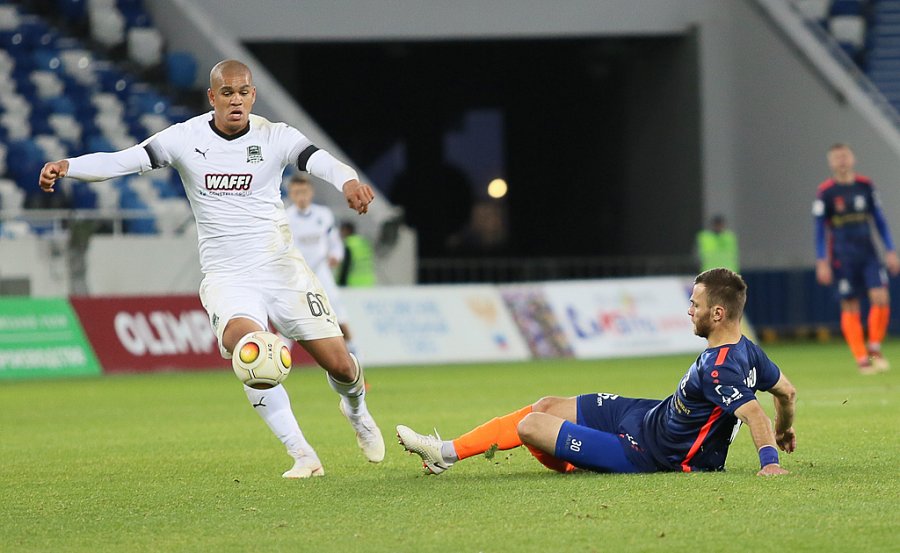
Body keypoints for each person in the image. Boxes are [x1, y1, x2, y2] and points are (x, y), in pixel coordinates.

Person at [38, 59, 384, 478]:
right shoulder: (185, 138)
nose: (236, 100)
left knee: (341, 365)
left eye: (243, 92)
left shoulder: (275, 136)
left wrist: (348, 181)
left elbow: (321, 160)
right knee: (251, 354)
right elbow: (122, 161)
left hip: (282, 268)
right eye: (227, 93)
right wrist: (68, 166)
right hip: (228, 277)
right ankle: (303, 454)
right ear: (212, 97)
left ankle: (357, 412)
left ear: (253, 95)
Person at [398, 268, 797, 476]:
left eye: (696, 304)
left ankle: (583, 460)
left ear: (718, 313)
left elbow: (754, 413)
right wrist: (785, 429)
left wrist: (769, 461)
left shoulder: (719, 369)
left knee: (531, 426)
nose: (689, 310)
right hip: (648, 416)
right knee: (546, 404)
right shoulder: (749, 352)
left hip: (649, 453)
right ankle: (446, 452)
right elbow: (786, 392)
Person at [813, 143, 899, 374]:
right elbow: (819, 229)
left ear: (852, 159)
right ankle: (862, 358)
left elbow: (879, 220)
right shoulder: (826, 192)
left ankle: (874, 348)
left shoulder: (865, 186)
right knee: (850, 303)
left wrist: (890, 250)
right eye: (837, 157)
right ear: (831, 162)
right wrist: (822, 260)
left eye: (845, 156)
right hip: (842, 256)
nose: (841, 160)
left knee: (881, 297)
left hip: (868, 252)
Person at [284, 173, 359, 355]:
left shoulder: (323, 215)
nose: (301, 196)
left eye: (304, 191)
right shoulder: (285, 218)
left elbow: (335, 243)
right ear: (291, 194)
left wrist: (335, 255)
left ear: (311, 192)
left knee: (337, 310)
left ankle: (354, 354)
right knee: (289, 316)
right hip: (298, 273)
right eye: (296, 192)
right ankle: (280, 358)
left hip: (321, 270)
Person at [337, 221, 376, 287]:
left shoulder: (348, 244)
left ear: (347, 230)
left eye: (342, 231)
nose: (340, 233)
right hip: (368, 282)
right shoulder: (364, 242)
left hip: (353, 283)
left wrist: (341, 284)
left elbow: (346, 266)